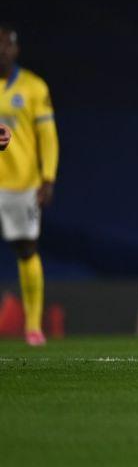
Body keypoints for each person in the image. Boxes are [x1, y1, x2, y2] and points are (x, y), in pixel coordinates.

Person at [0, 25, 59, 346]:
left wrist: (48, 177)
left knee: (26, 250)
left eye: (7, 46)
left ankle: (33, 326)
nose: (2, 51)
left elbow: (48, 137)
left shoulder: (34, 87)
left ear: (16, 50)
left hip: (21, 183)